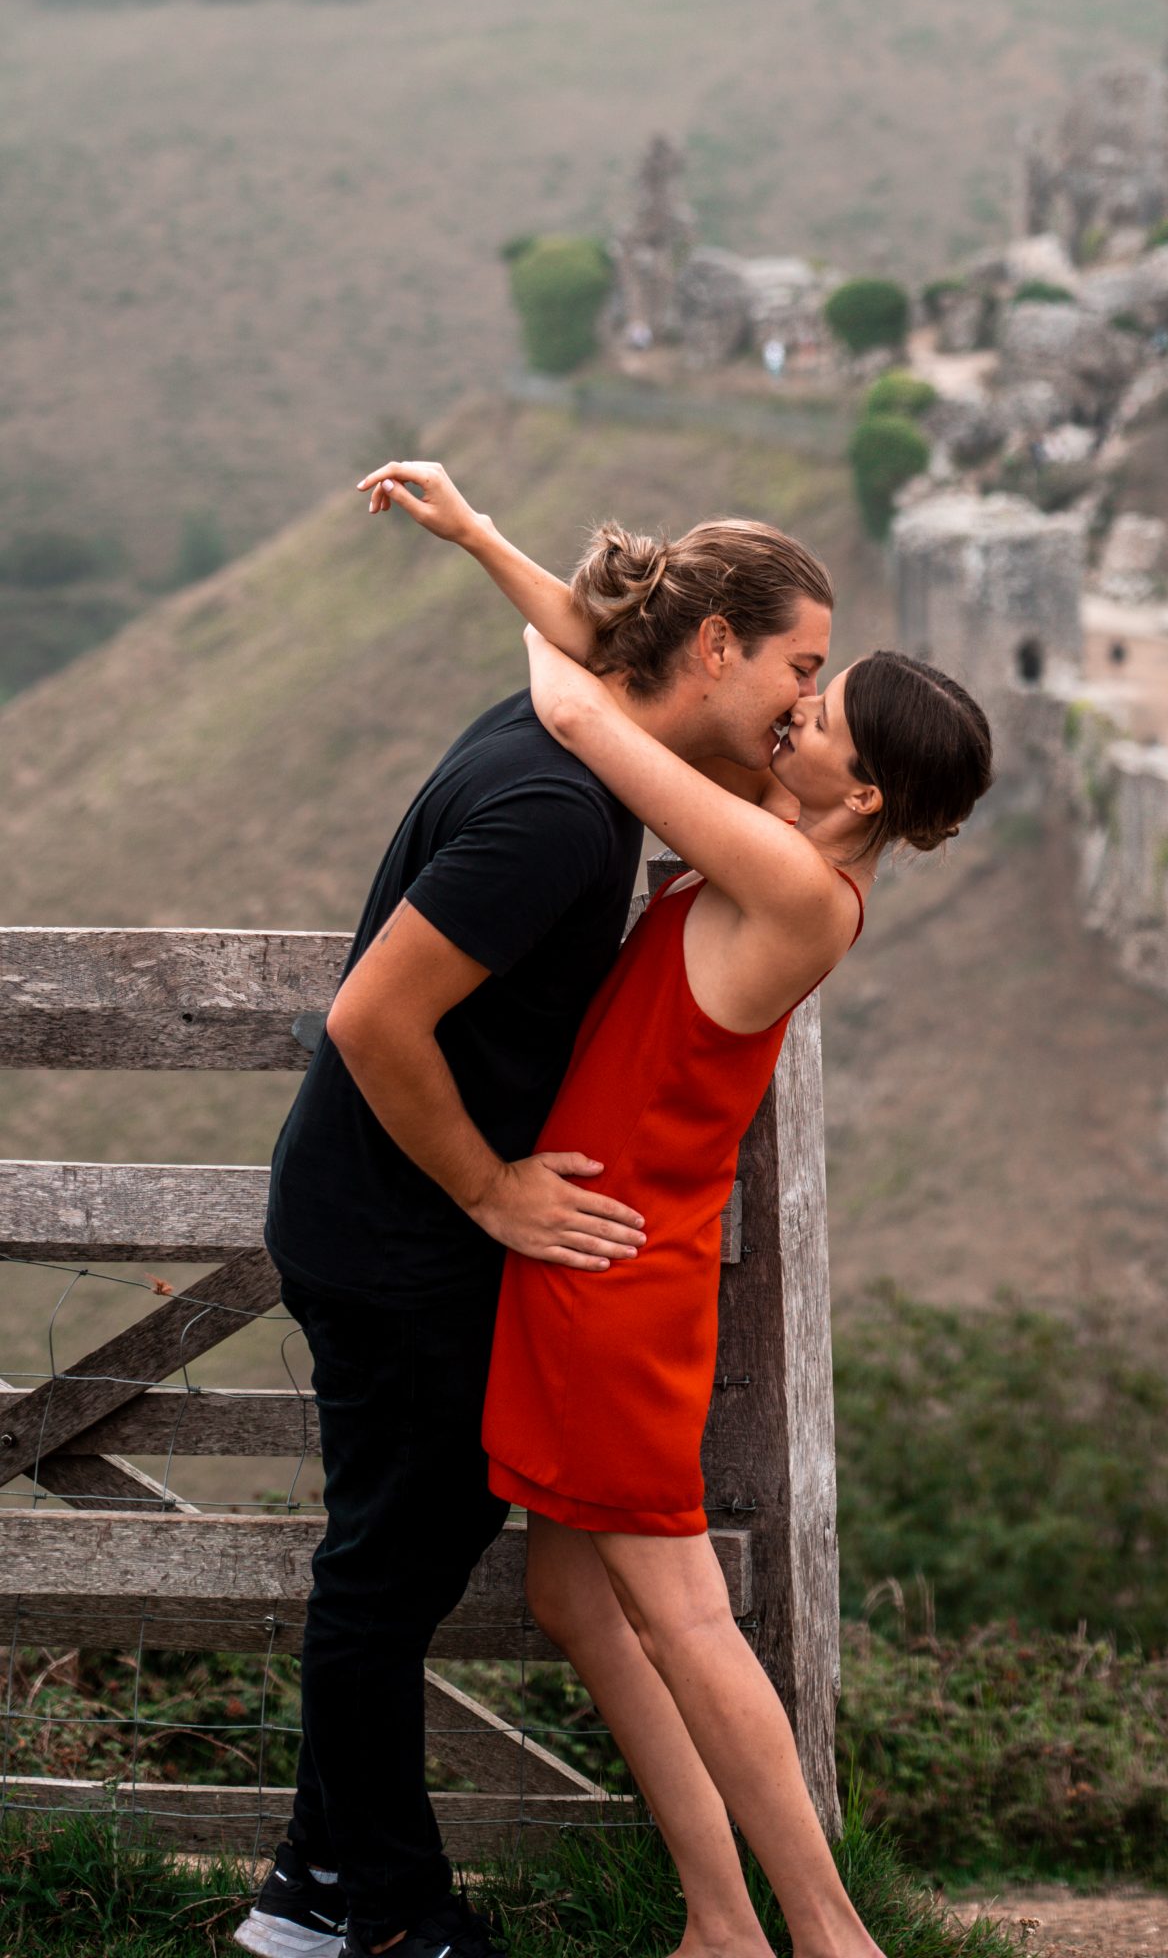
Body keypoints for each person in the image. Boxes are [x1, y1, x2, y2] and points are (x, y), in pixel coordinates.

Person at [240, 468, 835, 1958]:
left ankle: (307, 1903)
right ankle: (387, 1921)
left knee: (400, 1551)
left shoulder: (586, 729)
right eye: (800, 671)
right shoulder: (560, 814)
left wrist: (483, 542)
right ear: (713, 650)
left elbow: (597, 658)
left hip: (380, 1214)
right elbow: (374, 1020)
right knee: (389, 1573)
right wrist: (489, 1185)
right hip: (400, 1230)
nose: (802, 705)